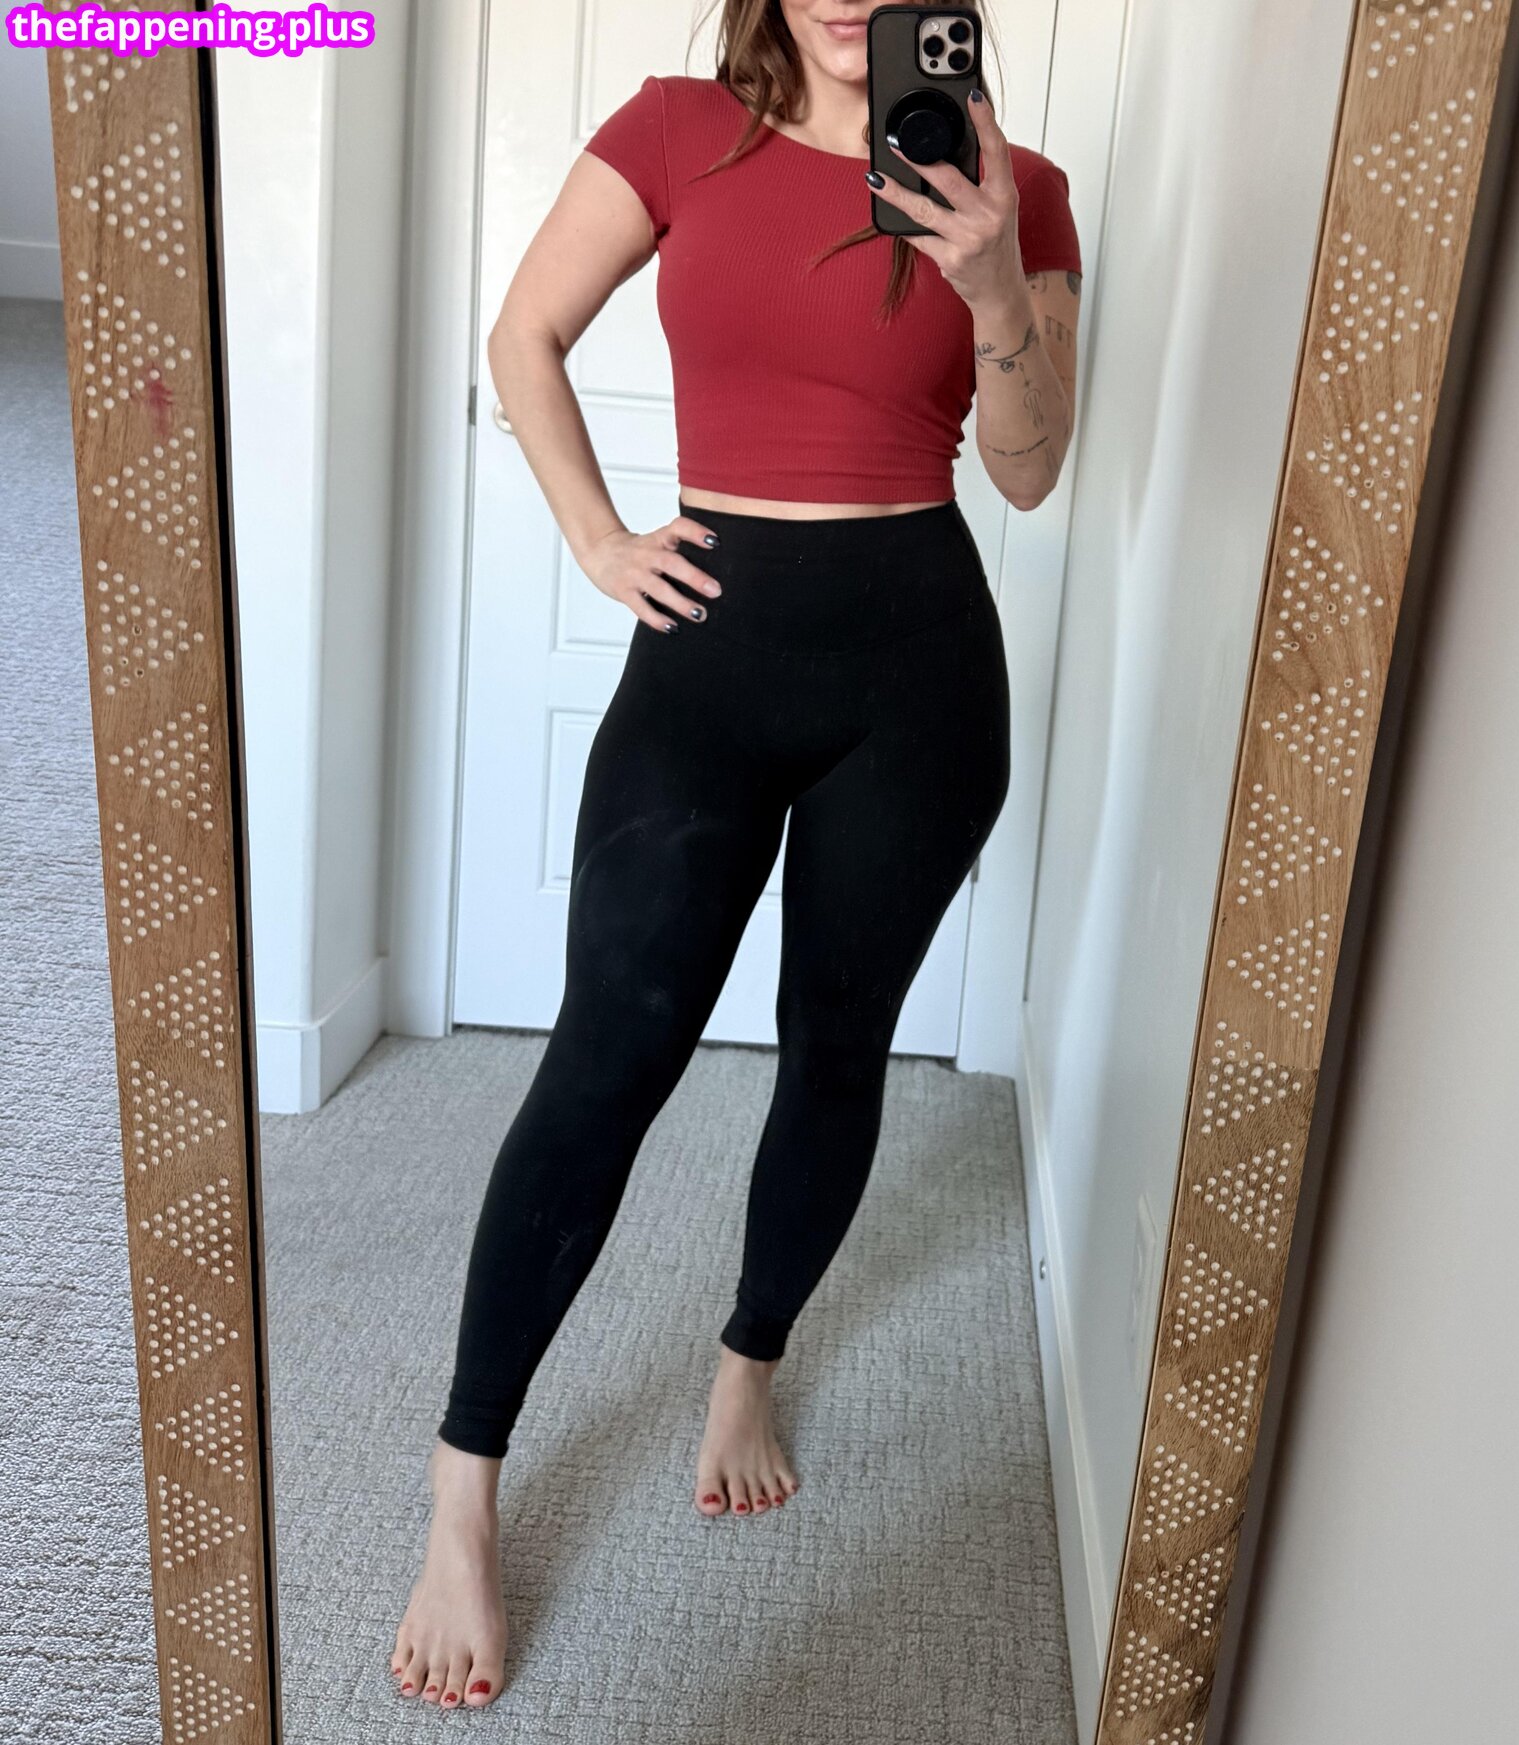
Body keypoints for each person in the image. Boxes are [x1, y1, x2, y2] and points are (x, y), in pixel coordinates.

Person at [387, 0, 1082, 1712]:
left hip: (917, 684)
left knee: (836, 1044)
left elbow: (1030, 470)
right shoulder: (674, 129)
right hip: (704, 668)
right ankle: (463, 1494)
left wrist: (997, 285)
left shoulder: (1021, 186)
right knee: (604, 1060)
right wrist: (598, 537)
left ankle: (749, 1360)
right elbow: (525, 332)